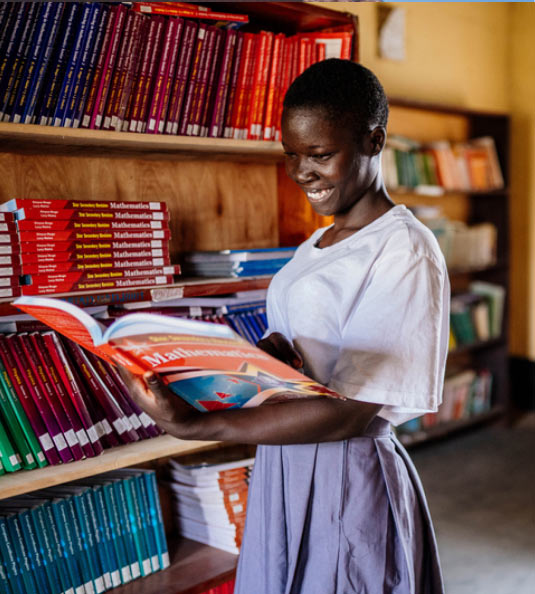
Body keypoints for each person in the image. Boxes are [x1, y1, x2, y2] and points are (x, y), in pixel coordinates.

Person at [121, 59, 449, 594]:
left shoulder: (405, 249)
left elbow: (351, 413)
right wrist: (270, 355)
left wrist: (199, 428)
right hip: (283, 463)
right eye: (292, 155)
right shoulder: (316, 244)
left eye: (320, 155)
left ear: (374, 140)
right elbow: (315, 355)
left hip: (345, 470)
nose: (301, 173)